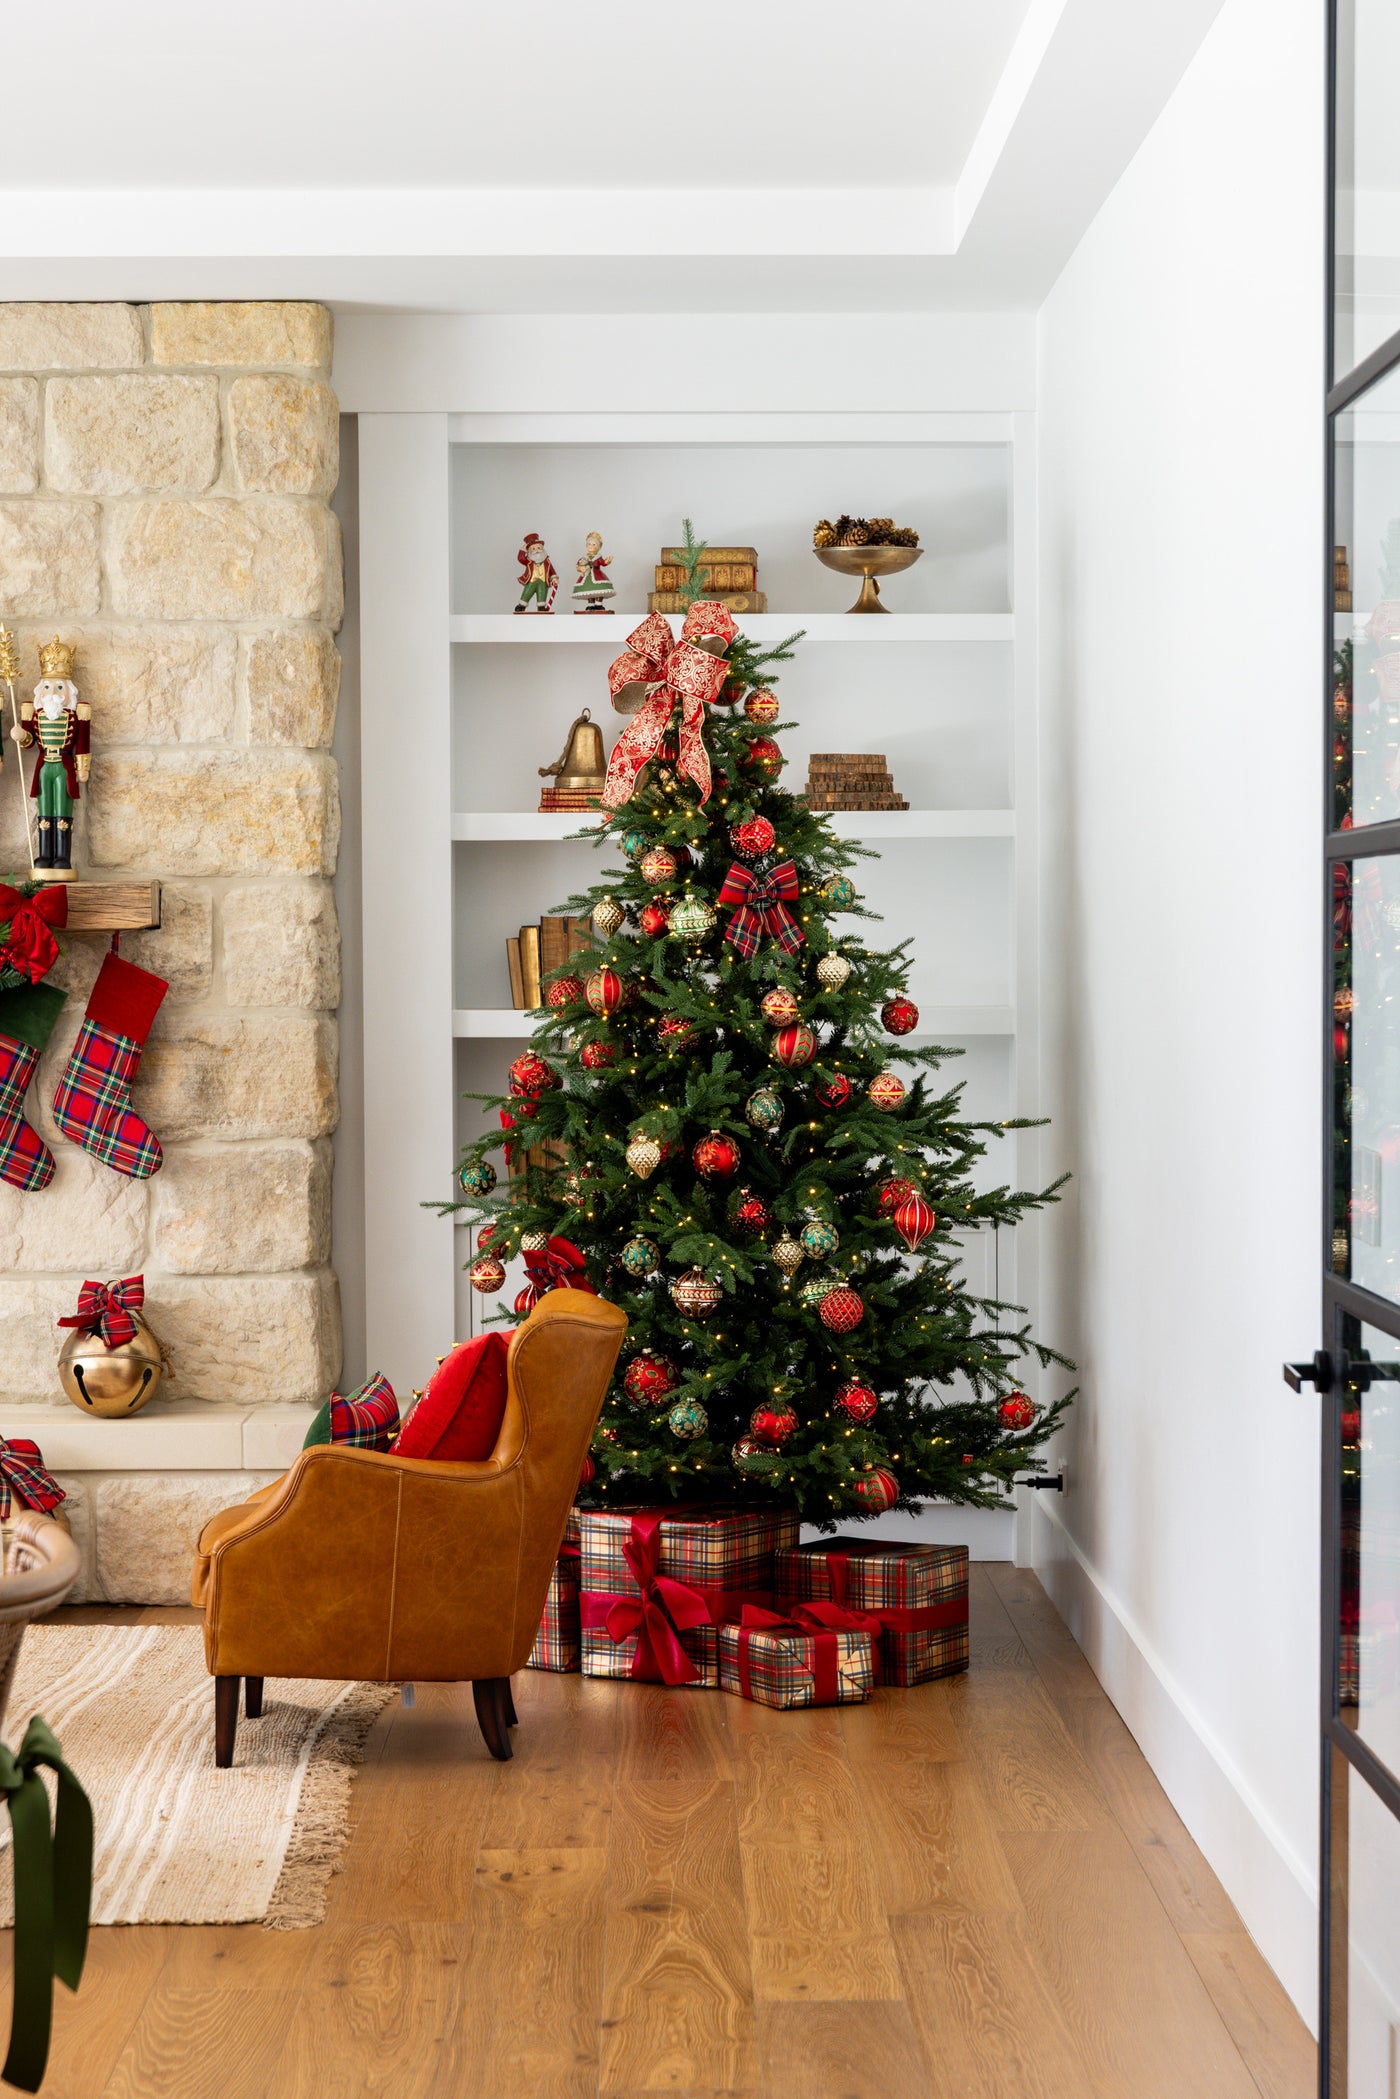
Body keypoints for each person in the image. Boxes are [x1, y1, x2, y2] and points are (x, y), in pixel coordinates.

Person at [12, 637, 89, 877]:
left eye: (59, 688)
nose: (53, 693)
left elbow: (83, 742)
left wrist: (82, 766)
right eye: (47, 687)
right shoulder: (34, 714)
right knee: (45, 809)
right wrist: (21, 735)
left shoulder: (78, 714)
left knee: (63, 810)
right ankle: (45, 854)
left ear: (69, 692)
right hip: (45, 765)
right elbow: (29, 743)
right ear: (40, 692)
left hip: (64, 766)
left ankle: (62, 857)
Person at [572, 531, 616, 613]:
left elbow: (603, 563)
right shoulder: (584, 558)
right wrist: (580, 568)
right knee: (589, 590)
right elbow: (578, 565)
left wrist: (607, 561)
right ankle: (590, 604)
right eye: (589, 544)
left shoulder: (598, 557)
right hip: (587, 575)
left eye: (594, 544)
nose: (591, 546)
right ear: (586, 546)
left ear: (598, 547)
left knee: (599, 589)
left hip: (597, 575)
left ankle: (598, 604)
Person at [515, 534, 558, 613]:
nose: (537, 550)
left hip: (543, 582)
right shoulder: (529, 561)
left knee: (542, 594)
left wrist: (554, 577)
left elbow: (551, 570)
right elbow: (520, 559)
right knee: (527, 593)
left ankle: (541, 608)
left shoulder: (547, 562)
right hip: (531, 581)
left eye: (539, 548)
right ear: (529, 551)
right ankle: (521, 606)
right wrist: (523, 549)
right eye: (533, 549)